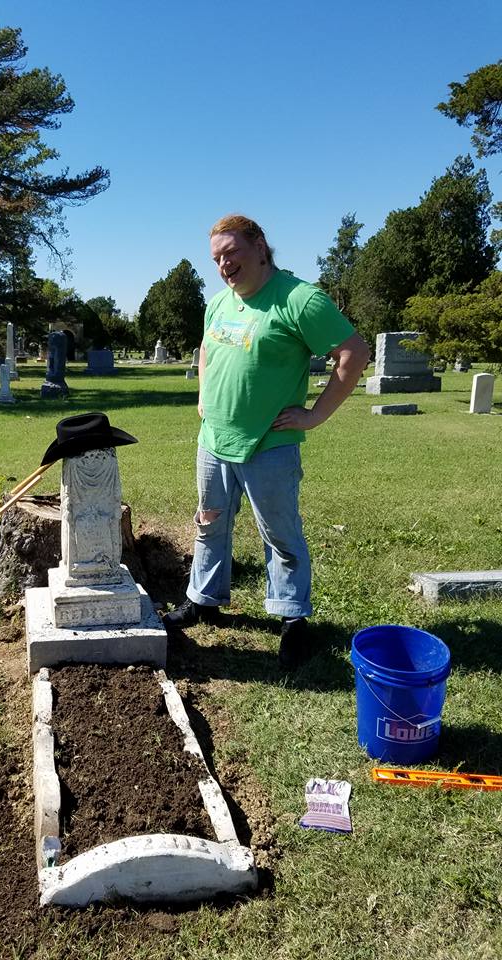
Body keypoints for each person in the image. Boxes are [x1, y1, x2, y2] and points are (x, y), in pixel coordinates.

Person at [163, 214, 370, 668]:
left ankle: (293, 618)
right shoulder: (219, 303)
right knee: (209, 524)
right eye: (217, 258)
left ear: (259, 246)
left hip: (269, 445)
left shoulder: (299, 299)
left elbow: (354, 352)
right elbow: (205, 348)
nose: (224, 265)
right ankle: (204, 600)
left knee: (280, 535)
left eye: (231, 253)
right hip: (213, 441)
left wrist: (315, 414)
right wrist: (204, 394)